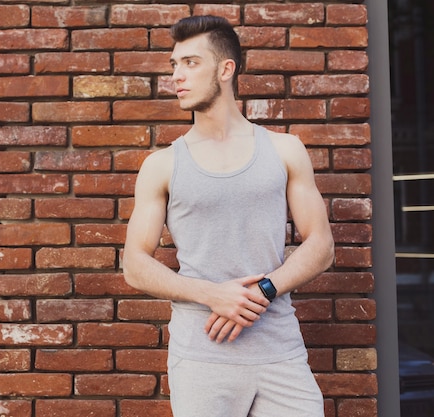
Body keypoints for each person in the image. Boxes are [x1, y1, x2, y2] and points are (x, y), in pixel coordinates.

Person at [122, 15, 335, 417]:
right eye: (174, 64)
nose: (177, 76)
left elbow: (321, 245)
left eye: (191, 63)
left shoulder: (285, 150)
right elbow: (134, 264)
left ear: (225, 69)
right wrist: (212, 293)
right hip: (202, 358)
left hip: (280, 354)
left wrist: (263, 291)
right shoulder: (162, 165)